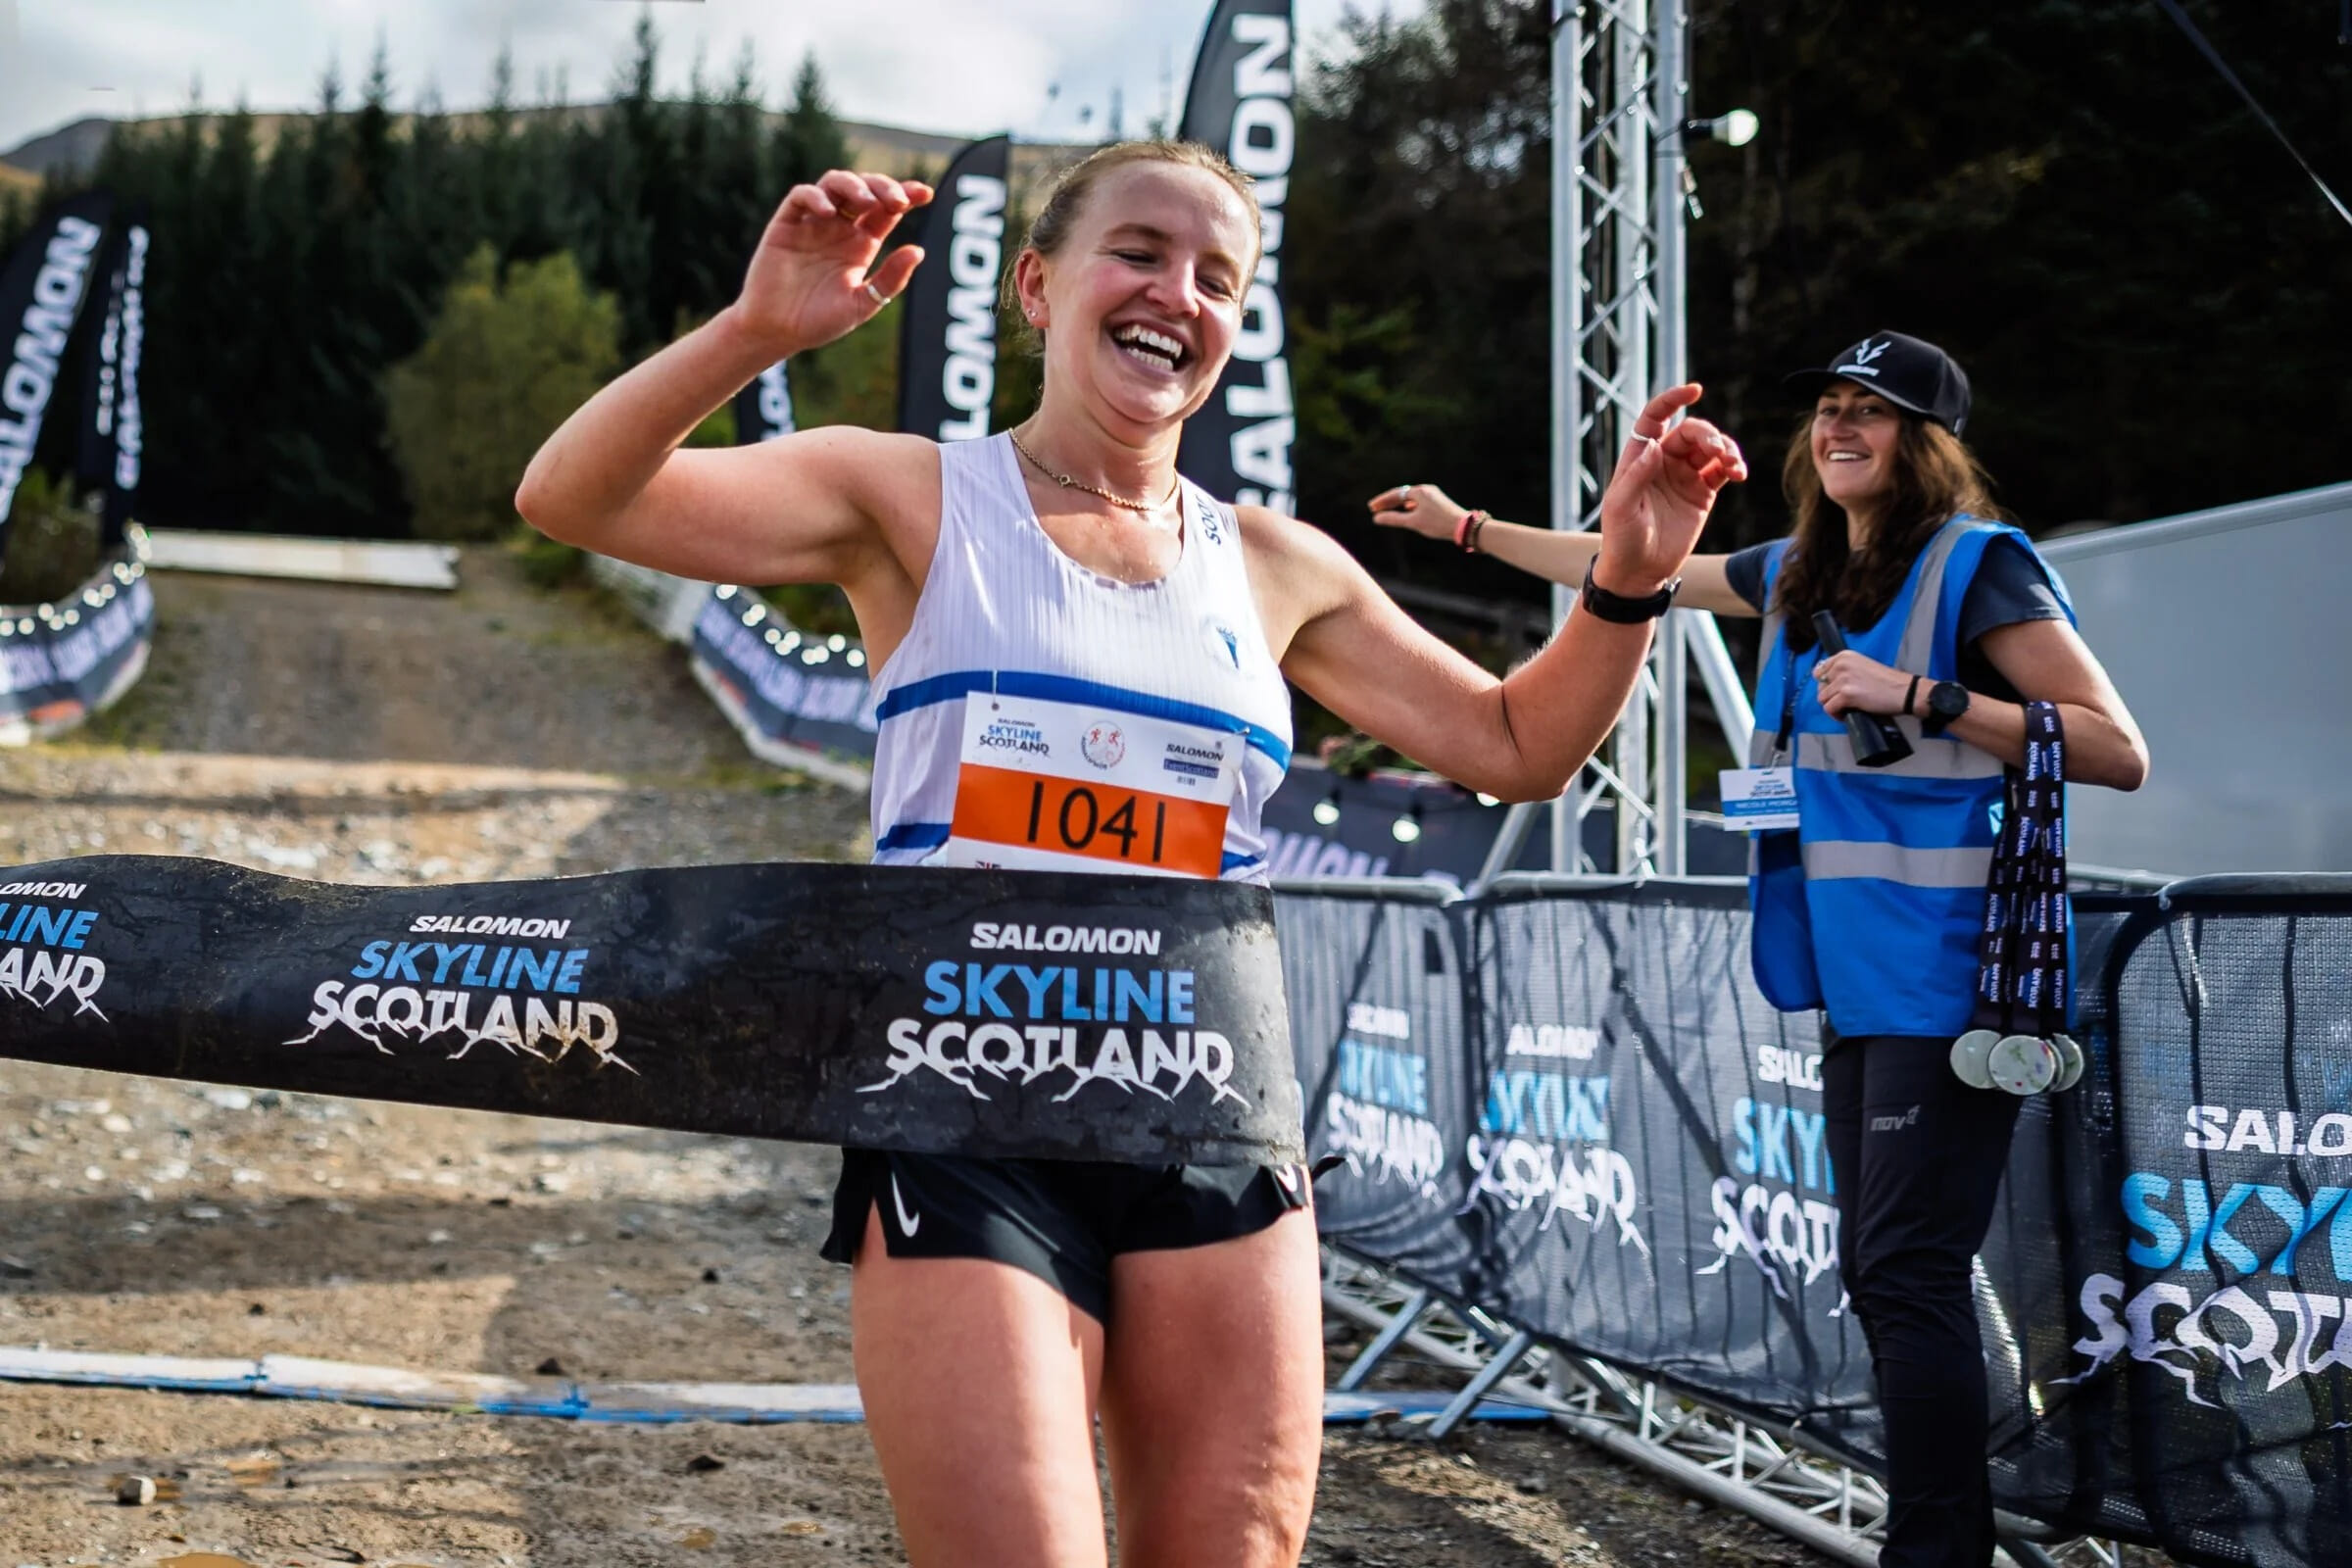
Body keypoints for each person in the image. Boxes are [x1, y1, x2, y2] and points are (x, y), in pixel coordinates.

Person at [516, 141, 1743, 1568]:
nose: (1180, 295)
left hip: (1206, 1116)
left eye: (1220, 279)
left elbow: (1520, 745)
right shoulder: (909, 498)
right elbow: (575, 498)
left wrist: (1633, 577)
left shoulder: (1276, 565)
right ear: (1038, 285)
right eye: (1143, 254)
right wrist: (757, 333)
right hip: (966, 1114)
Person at [1369, 330, 2148, 1568]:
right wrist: (1468, 531)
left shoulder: (1979, 564)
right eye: (1829, 408)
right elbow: (1626, 569)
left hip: (1957, 980)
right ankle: (1931, 1539)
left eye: (1873, 412)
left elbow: (2115, 747)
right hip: (1855, 980)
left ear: (1926, 443)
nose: (1840, 427)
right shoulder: (1800, 570)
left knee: (1904, 1269)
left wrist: (1927, 699)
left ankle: (1936, 1551)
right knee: (1888, 1269)